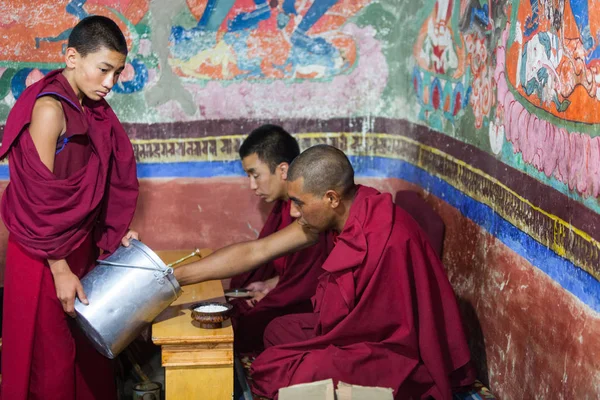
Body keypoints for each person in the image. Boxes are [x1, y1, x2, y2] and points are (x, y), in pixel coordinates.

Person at [175, 145, 474, 399]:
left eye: (299, 203)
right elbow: (257, 251)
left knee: (272, 371)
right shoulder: (335, 216)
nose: (292, 212)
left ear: (331, 198)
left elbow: (393, 331)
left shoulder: (391, 237)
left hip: (391, 351)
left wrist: (334, 347)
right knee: (276, 331)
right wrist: (174, 277)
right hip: (350, 331)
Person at [0, 16, 139, 400]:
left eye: (117, 72)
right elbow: (37, 198)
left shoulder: (92, 108)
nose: (110, 82)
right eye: (104, 69)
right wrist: (59, 268)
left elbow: (101, 183)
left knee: (89, 355)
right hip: (41, 253)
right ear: (72, 57)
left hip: (79, 248)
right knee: (51, 361)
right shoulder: (50, 109)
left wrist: (112, 231)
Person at [229, 124, 328, 354]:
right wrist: (269, 285)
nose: (253, 186)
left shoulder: (314, 211)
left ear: (283, 170)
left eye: (255, 175)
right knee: (237, 297)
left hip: (307, 305)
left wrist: (271, 296)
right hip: (289, 293)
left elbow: (309, 284)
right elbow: (288, 269)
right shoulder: (282, 206)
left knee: (248, 325)